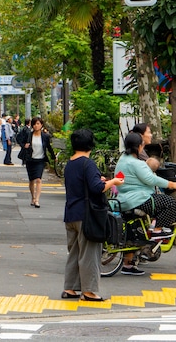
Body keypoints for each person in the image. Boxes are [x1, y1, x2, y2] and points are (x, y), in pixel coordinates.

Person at [63, 128, 124, 302]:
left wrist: (100, 180)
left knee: (74, 252)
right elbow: (97, 188)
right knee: (89, 253)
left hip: (71, 213)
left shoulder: (70, 163)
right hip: (86, 215)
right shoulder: (87, 163)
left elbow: (86, 184)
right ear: (90, 145)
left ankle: (70, 288)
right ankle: (89, 291)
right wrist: (113, 181)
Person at [114, 131, 176, 276]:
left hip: (124, 200)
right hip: (139, 199)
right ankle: (157, 230)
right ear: (138, 147)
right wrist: (172, 184)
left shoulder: (122, 160)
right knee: (170, 202)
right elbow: (151, 180)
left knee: (135, 232)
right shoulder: (136, 163)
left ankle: (128, 264)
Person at [17, 116, 54, 207]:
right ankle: (33, 197)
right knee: (31, 180)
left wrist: (53, 157)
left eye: (38, 124)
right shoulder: (29, 134)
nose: (36, 126)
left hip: (40, 160)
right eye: (34, 124)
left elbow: (48, 147)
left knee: (38, 179)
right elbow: (18, 138)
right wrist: (23, 145)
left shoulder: (45, 136)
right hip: (30, 159)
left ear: (41, 125)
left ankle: (37, 200)